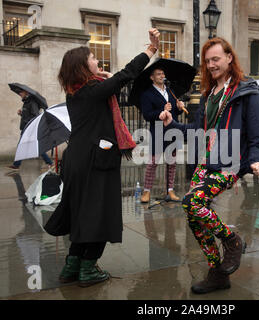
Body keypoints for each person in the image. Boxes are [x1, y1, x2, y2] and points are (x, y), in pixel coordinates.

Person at [44, 28, 160, 287]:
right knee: (98, 214)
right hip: (96, 160)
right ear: (83, 66)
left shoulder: (76, 92)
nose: (97, 61)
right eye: (93, 58)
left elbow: (114, 87)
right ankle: (88, 269)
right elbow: (128, 73)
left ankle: (72, 265)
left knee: (83, 213)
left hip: (76, 158)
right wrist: (150, 50)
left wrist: (105, 81)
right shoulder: (93, 90)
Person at [159, 37, 259, 294]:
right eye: (207, 61)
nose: (211, 65)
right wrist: (171, 126)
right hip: (206, 161)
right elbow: (198, 130)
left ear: (230, 58)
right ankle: (218, 273)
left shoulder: (247, 92)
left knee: (191, 202)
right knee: (193, 215)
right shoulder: (210, 94)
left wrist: (257, 159)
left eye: (216, 59)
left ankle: (231, 240)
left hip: (229, 163)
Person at [140, 68, 185, 203]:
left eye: (163, 74)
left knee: (172, 162)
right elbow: (147, 115)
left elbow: (176, 113)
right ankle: (146, 191)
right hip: (158, 130)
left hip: (173, 129)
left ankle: (170, 190)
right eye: (158, 74)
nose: (162, 76)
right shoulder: (147, 94)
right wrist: (162, 110)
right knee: (153, 162)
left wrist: (179, 107)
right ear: (152, 77)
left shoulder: (171, 91)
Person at [7, 90, 53, 171]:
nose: (20, 94)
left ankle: (16, 165)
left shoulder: (32, 103)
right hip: (26, 127)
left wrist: (27, 122)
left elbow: (35, 116)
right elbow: (27, 115)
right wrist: (21, 113)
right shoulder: (26, 102)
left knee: (22, 146)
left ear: (26, 93)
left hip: (29, 128)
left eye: (21, 92)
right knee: (35, 147)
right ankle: (49, 162)